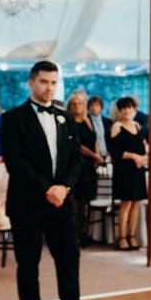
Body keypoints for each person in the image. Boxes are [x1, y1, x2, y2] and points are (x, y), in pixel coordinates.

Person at [0, 61, 112, 300]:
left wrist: (65, 187)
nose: (49, 88)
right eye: (43, 82)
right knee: (28, 266)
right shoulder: (13, 118)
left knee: (69, 262)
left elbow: (75, 158)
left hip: (62, 203)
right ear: (31, 83)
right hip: (27, 203)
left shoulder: (66, 117)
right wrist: (47, 188)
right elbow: (15, 162)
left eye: (53, 82)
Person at [110, 97, 149, 251]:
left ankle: (132, 236)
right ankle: (121, 238)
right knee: (126, 203)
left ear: (134, 109)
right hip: (124, 170)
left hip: (138, 169)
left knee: (136, 203)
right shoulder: (117, 126)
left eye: (129, 108)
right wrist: (134, 157)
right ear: (120, 111)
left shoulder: (138, 126)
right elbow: (115, 151)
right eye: (123, 108)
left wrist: (144, 158)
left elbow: (144, 147)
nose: (127, 111)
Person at [67, 91, 102, 246]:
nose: (77, 106)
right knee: (75, 202)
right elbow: (77, 146)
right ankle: (73, 235)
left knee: (85, 202)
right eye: (74, 104)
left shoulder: (88, 120)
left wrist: (97, 155)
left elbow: (94, 139)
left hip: (89, 166)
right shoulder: (69, 123)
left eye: (80, 103)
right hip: (76, 164)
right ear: (69, 107)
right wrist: (95, 156)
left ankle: (82, 232)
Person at [87, 95, 110, 162]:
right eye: (91, 105)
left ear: (101, 107)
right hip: (91, 156)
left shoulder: (108, 122)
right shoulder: (85, 121)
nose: (94, 107)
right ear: (88, 107)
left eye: (97, 105)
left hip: (107, 156)